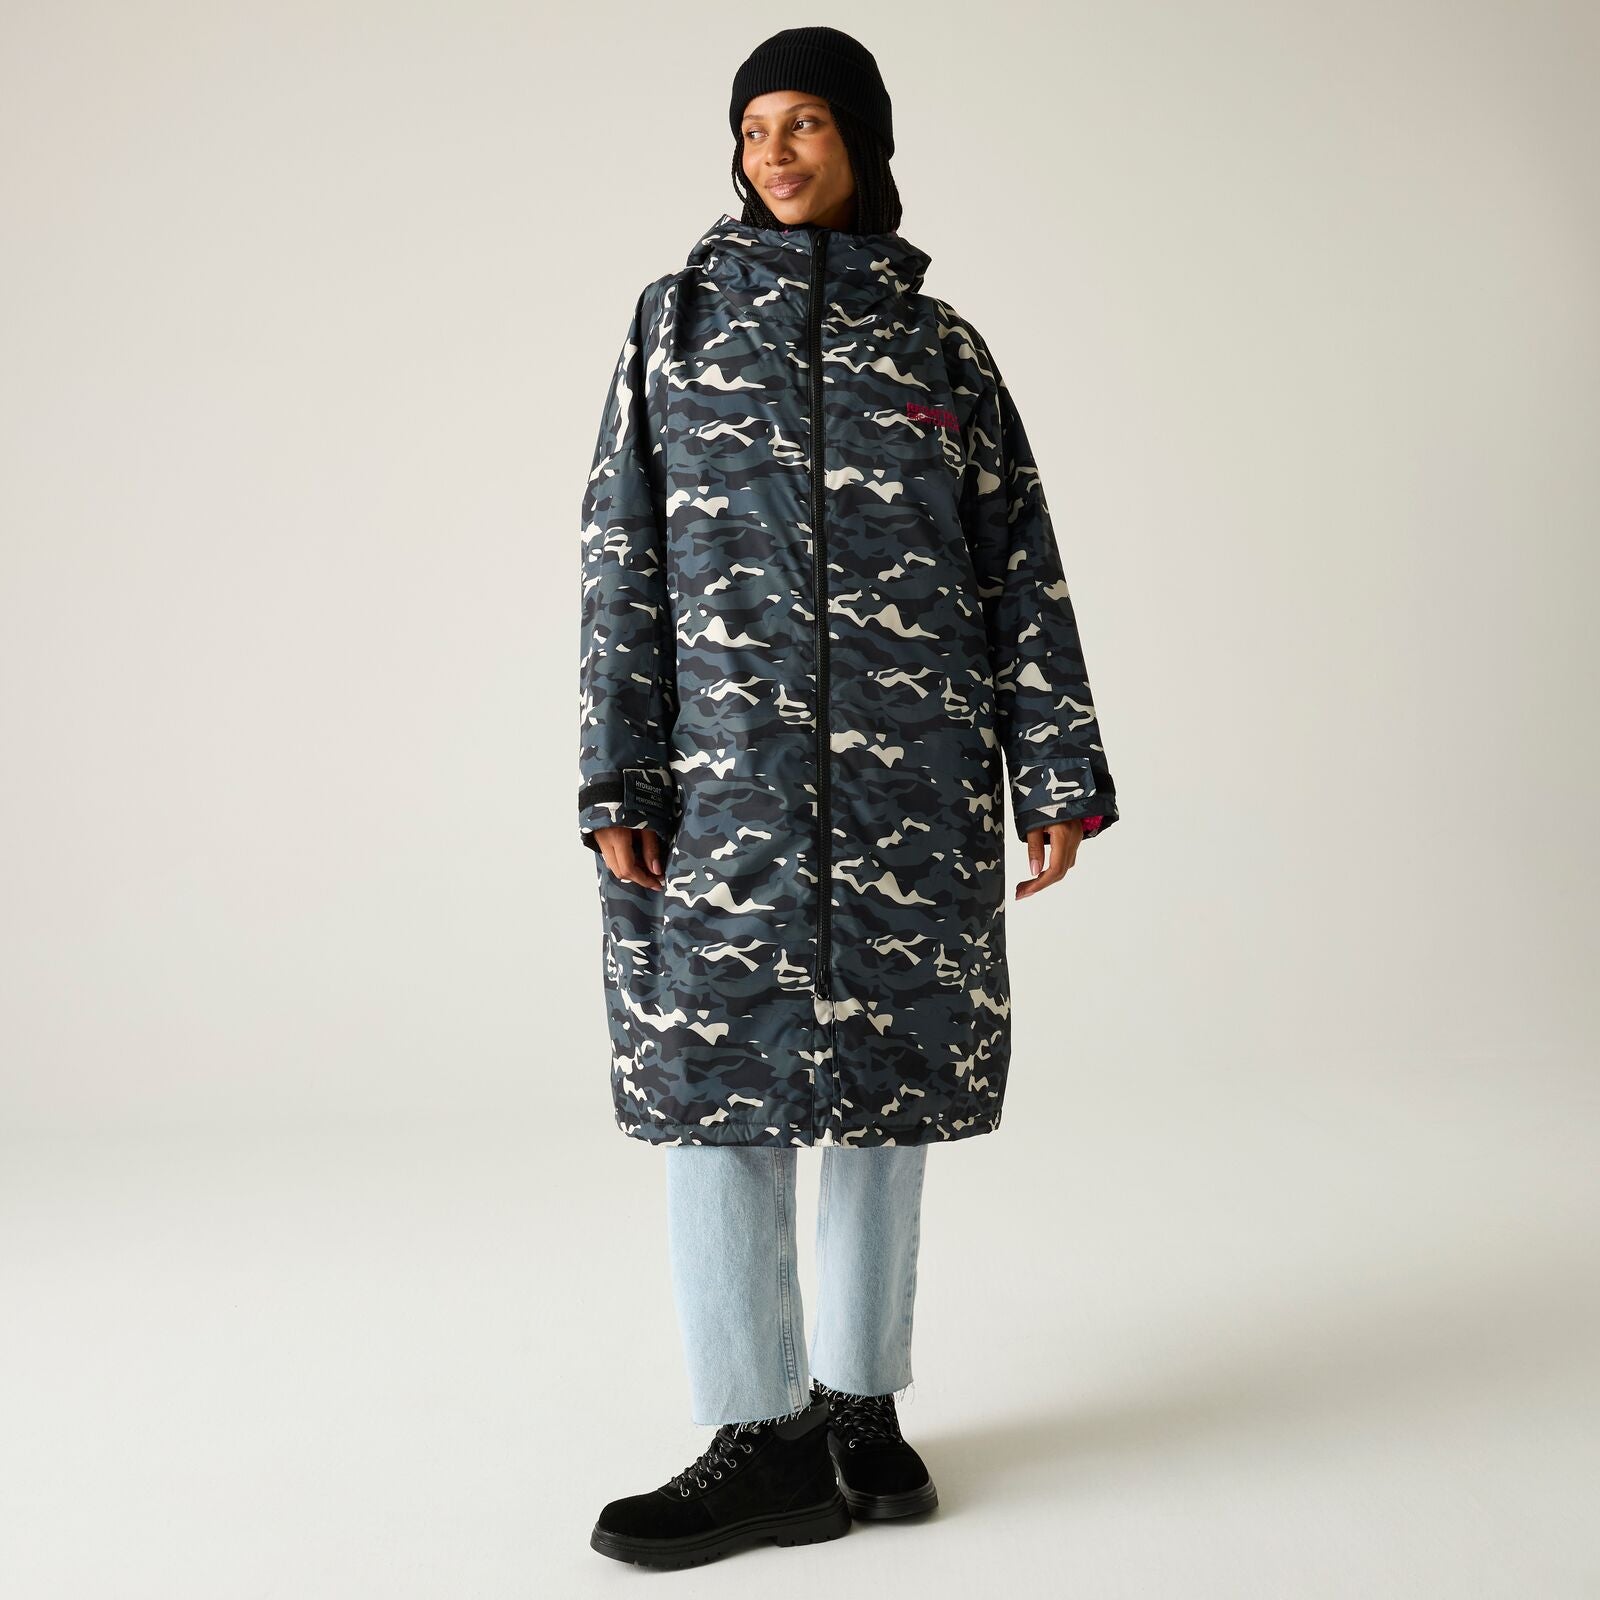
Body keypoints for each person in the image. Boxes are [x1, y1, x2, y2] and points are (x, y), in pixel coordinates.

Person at [577, 26, 1120, 1570]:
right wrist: (618, 770)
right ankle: (758, 1435)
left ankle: (860, 1408)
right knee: (716, 1097)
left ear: (863, 140)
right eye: (754, 127)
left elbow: (1018, 568)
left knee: (887, 1096)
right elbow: (622, 558)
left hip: (910, 789)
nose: (775, 151)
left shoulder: (943, 353)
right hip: (722, 796)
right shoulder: (674, 327)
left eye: (805, 121)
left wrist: (1054, 766)